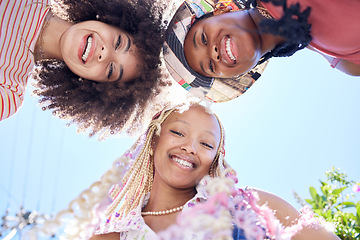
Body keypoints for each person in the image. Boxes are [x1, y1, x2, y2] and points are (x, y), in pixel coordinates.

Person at [47, 103, 339, 239]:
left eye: (206, 143)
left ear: (215, 160)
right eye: (178, 132)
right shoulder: (114, 235)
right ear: (153, 140)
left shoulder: (249, 206)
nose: (190, 148)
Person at [1, 0, 167, 136]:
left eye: (111, 71)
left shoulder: (9, 92)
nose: (104, 54)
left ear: (94, 86)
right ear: (111, 20)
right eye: (118, 42)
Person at [163, 0, 360, 103]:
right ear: (239, 74)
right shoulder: (344, 59)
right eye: (210, 66)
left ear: (220, 10)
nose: (213, 53)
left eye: (203, 39)